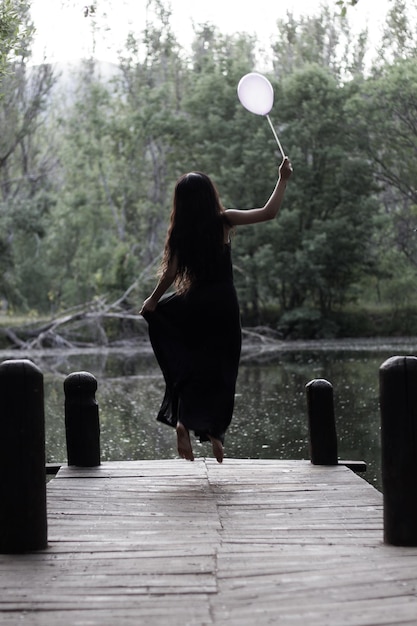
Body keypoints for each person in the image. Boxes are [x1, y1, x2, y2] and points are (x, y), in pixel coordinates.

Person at [140, 156, 293, 463]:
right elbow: (269, 212)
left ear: (180, 203)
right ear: (210, 195)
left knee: (191, 365)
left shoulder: (180, 233)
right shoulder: (224, 220)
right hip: (223, 305)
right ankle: (214, 433)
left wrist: (153, 300)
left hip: (194, 306)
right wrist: (283, 178)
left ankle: (183, 421)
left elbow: (170, 276)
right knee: (223, 371)